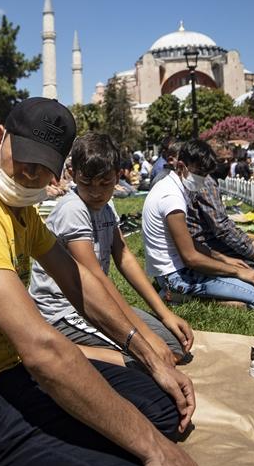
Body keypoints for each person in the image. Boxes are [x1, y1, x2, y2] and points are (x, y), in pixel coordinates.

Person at [0, 99, 198, 466]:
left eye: (43, 169)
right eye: (26, 162)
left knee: (161, 411)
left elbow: (77, 279)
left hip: (6, 371)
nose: (31, 177)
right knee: (137, 464)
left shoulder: (20, 213)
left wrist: (150, 356)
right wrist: (153, 450)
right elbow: (41, 349)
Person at [29, 132, 193, 365]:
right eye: (86, 183)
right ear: (73, 175)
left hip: (96, 305)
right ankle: (61, 347)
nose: (96, 192)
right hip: (63, 312)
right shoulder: (73, 209)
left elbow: (124, 255)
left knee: (175, 348)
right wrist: (142, 337)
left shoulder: (107, 205)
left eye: (105, 183)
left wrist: (165, 314)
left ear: (117, 176)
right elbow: (95, 275)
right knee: (145, 359)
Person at [142, 139, 254, 309]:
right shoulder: (172, 198)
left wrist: (225, 260)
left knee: (247, 276)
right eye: (200, 173)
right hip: (175, 276)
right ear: (181, 166)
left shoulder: (171, 187)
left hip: (173, 270)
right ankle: (177, 296)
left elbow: (189, 242)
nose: (203, 180)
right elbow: (191, 258)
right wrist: (237, 271)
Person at [184, 140, 254, 278]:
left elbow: (223, 223)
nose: (226, 164)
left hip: (208, 242)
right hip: (204, 246)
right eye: (222, 160)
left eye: (230, 160)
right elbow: (221, 227)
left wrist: (251, 242)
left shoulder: (208, 180)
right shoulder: (207, 181)